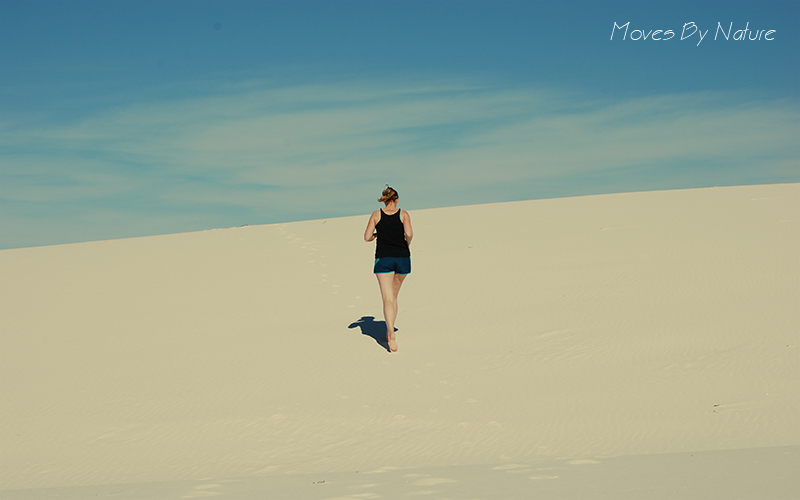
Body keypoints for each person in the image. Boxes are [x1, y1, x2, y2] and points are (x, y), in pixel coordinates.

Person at [364, 186, 413, 352]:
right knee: (394, 296)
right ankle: (390, 329)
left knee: (387, 298)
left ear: (384, 200)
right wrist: (406, 244)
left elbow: (367, 237)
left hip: (383, 258)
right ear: (397, 199)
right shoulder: (403, 214)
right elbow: (409, 233)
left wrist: (378, 235)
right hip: (402, 258)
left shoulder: (376, 215)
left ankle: (390, 332)